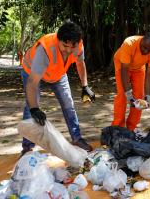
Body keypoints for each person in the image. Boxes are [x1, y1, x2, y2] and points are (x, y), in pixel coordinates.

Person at [21, 20, 95, 155]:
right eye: (64, 45)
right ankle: (27, 148)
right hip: (32, 72)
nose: (67, 50)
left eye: (71, 47)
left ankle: (77, 138)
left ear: (78, 43)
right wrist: (34, 108)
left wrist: (85, 86)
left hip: (58, 74)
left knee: (68, 104)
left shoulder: (78, 46)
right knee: (30, 107)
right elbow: (32, 83)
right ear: (58, 39)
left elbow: (80, 64)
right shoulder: (45, 49)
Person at [113, 33, 150, 130]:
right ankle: (117, 127)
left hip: (138, 68)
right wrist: (129, 95)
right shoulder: (129, 43)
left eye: (149, 50)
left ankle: (131, 128)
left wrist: (148, 96)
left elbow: (149, 74)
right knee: (122, 95)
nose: (145, 51)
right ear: (141, 40)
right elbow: (124, 70)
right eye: (143, 47)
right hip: (122, 66)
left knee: (139, 98)